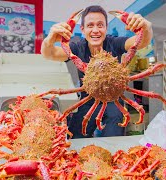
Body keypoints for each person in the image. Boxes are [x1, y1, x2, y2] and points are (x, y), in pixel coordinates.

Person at [41, 5, 153, 138]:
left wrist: (146, 28)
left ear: (106, 28)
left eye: (100, 25)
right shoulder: (77, 48)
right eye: (90, 25)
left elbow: (139, 43)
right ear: (82, 29)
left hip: (113, 99)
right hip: (87, 98)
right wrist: (50, 39)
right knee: (75, 136)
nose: (95, 30)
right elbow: (50, 54)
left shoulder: (114, 43)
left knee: (115, 132)